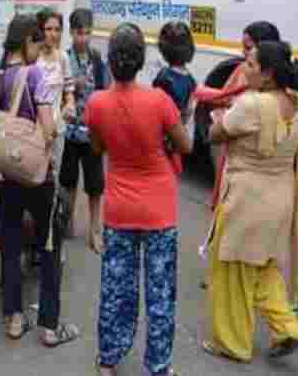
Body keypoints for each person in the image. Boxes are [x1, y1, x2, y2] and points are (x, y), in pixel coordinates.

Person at [85, 23, 192, 376]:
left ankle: (109, 359)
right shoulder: (158, 101)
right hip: (159, 210)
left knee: (117, 289)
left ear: (111, 62)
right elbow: (186, 145)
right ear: (141, 60)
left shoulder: (97, 104)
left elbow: (98, 147)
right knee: (160, 295)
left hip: (119, 210)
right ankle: (157, 366)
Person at [201, 40, 298, 363]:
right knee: (263, 267)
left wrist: (218, 117)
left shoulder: (252, 104)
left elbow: (216, 134)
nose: (244, 69)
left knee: (232, 269)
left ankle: (233, 344)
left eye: (250, 65)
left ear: (267, 75)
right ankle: (287, 328)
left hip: (247, 199)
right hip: (280, 198)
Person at [0, 14, 79, 346]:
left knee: (10, 244)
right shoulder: (35, 75)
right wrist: (59, 121)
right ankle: (50, 327)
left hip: (5, 174)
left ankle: (13, 319)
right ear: (26, 41)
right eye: (37, 42)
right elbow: (48, 127)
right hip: (37, 174)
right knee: (49, 246)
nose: (40, 48)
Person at [195, 21, 282, 209]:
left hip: (246, 178)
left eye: (249, 49)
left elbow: (223, 103)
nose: (244, 56)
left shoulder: (251, 102)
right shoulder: (295, 97)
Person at [60, 8, 107, 238]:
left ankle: (94, 226)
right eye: (79, 33)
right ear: (71, 33)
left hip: (92, 133)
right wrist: (70, 86)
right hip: (69, 133)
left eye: (88, 33)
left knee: (95, 185)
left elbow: (105, 91)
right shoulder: (64, 58)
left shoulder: (97, 59)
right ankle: (66, 222)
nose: (84, 38)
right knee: (68, 182)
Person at [34, 9, 74, 262]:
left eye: (57, 29)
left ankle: (52, 242)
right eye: (48, 29)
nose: (53, 34)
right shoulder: (32, 58)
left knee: (55, 186)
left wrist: (70, 104)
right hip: (34, 135)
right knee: (36, 185)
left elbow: (68, 90)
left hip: (57, 133)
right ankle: (34, 243)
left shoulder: (62, 58)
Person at [152, 21, 197, 175]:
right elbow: (189, 111)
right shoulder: (191, 80)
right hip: (178, 137)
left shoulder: (164, 78)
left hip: (161, 143)